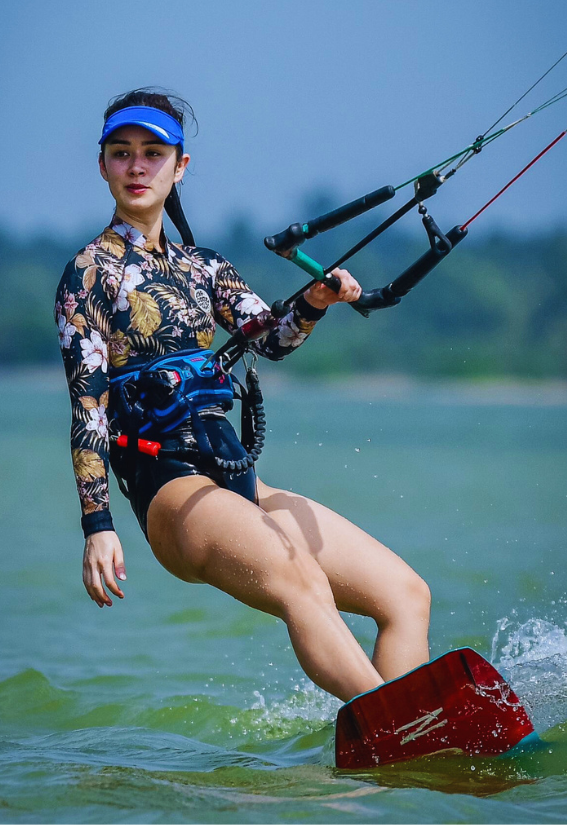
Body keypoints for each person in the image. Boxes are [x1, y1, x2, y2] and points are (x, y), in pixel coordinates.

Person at [55, 89, 431, 703]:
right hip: (171, 492)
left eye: (153, 153)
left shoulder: (204, 267)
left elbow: (273, 339)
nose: (137, 166)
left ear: (180, 167)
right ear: (103, 166)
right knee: (301, 581)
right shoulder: (89, 275)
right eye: (122, 154)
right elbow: (88, 411)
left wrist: (315, 301)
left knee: (406, 596)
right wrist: (98, 524)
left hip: (238, 480)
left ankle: (401, 742)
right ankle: (400, 725)